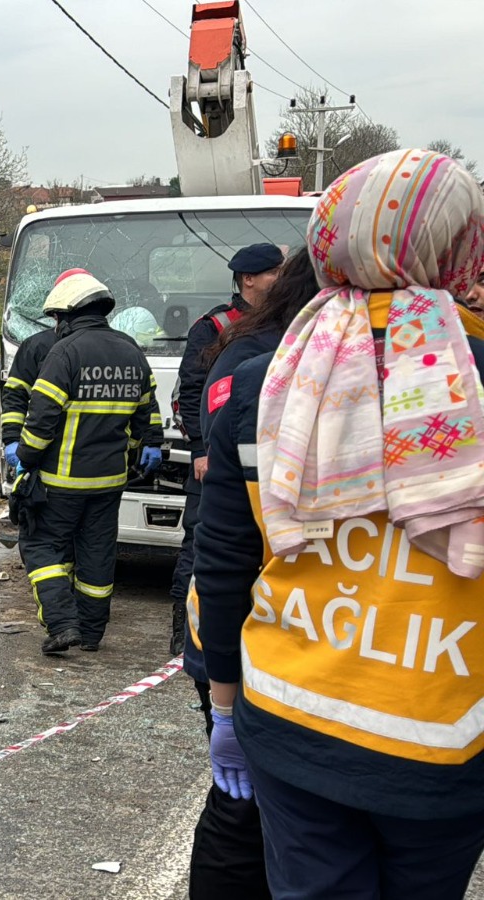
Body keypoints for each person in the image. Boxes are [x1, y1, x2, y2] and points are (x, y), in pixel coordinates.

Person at [197, 148, 484, 898]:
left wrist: (224, 705)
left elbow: (224, 565)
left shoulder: (269, 381)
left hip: (291, 722)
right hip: (447, 736)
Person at [180, 247, 318, 900]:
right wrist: (226, 696)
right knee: (243, 814)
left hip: (283, 633)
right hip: (262, 631)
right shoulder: (252, 358)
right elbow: (223, 540)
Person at [16, 268, 163, 655]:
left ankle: (63, 625)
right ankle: (92, 633)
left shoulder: (65, 351)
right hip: (110, 481)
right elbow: (144, 416)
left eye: (57, 318)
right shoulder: (130, 350)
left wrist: (26, 458)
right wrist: (130, 451)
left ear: (67, 315)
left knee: (41, 547)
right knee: (97, 556)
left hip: (61, 480)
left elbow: (42, 416)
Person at [168, 241, 284, 655]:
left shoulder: (289, 323)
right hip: (215, 458)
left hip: (268, 458)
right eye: (273, 272)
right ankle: (184, 637)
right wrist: (201, 449)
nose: (280, 278)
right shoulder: (215, 327)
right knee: (200, 545)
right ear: (248, 279)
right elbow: (191, 392)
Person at [0, 320, 61, 472]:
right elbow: (16, 394)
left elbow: (16, 395)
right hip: (113, 468)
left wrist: (23, 451)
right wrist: (12, 438)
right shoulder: (123, 345)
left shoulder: (38, 345)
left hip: (46, 461)